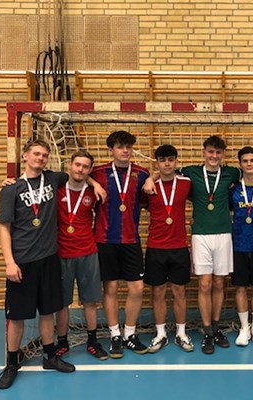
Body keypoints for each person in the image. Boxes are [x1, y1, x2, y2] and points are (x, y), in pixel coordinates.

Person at [143, 135, 253, 355]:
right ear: (203, 152)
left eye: (218, 152)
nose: (214, 156)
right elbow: (166, 171)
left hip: (224, 234)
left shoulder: (230, 172)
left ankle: (215, 327)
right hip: (200, 235)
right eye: (210, 152)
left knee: (219, 283)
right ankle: (206, 331)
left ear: (222, 154)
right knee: (204, 284)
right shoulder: (190, 172)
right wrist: (150, 178)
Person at [0, 139, 75, 389]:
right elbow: (4, 227)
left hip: (49, 259)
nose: (41, 158)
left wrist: (94, 184)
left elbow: (80, 174)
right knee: (17, 316)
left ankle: (50, 356)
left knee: (48, 311)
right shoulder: (11, 189)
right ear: (25, 156)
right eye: (37, 154)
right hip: (23, 261)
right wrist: (9, 262)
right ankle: (11, 363)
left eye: (44, 155)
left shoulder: (53, 179)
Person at [91, 130, 151, 358]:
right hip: (105, 240)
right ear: (111, 150)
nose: (125, 150)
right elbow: (76, 176)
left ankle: (130, 334)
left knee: (137, 288)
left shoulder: (142, 174)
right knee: (111, 288)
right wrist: (91, 182)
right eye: (120, 147)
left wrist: (153, 178)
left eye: (128, 147)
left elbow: (147, 198)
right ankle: (115, 334)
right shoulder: (98, 173)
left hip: (130, 239)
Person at [52, 150, 108, 361]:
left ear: (90, 170)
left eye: (85, 166)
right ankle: (62, 342)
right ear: (70, 165)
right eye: (77, 165)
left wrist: (95, 184)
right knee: (61, 303)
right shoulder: (56, 189)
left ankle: (93, 341)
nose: (80, 169)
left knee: (90, 301)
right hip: (61, 253)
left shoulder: (95, 193)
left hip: (87, 252)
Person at [143, 145, 196, 353]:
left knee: (179, 291)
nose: (167, 164)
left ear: (176, 161)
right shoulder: (149, 187)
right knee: (158, 292)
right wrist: (151, 178)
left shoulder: (186, 183)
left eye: (171, 159)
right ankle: (161, 334)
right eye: (162, 160)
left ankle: (181, 333)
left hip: (179, 247)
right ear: (157, 162)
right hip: (156, 246)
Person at [230, 146, 253, 346]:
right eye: (245, 161)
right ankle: (244, 327)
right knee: (241, 287)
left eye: (252, 160)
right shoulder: (234, 189)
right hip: (239, 244)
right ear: (240, 164)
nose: (249, 164)